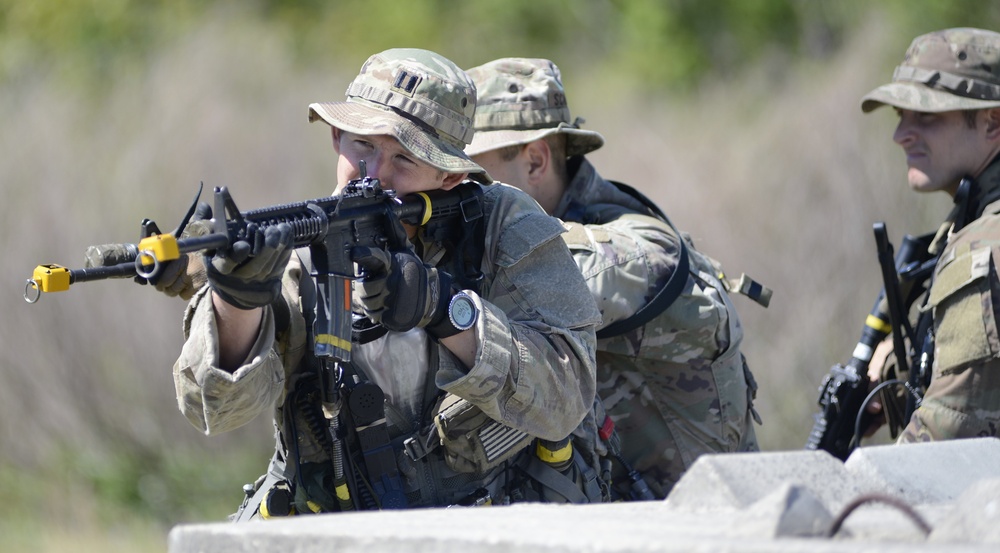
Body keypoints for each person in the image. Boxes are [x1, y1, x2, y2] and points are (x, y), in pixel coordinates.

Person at [171, 48, 605, 519]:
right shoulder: (300, 250)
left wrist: (447, 310)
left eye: (404, 158)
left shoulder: (504, 229)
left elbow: (566, 398)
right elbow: (214, 411)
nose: (374, 175)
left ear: (450, 173)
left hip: (491, 514)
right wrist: (237, 303)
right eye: (363, 146)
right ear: (337, 136)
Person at [464, 58, 764, 500]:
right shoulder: (550, 226)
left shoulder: (632, 244)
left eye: (472, 172)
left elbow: (583, 271)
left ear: (534, 162)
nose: (456, 187)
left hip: (707, 525)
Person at [861, 28, 1000, 442]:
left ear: (993, 123)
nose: (901, 135)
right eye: (900, 115)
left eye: (927, 116)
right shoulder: (969, 222)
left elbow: (947, 439)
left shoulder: (983, 248)